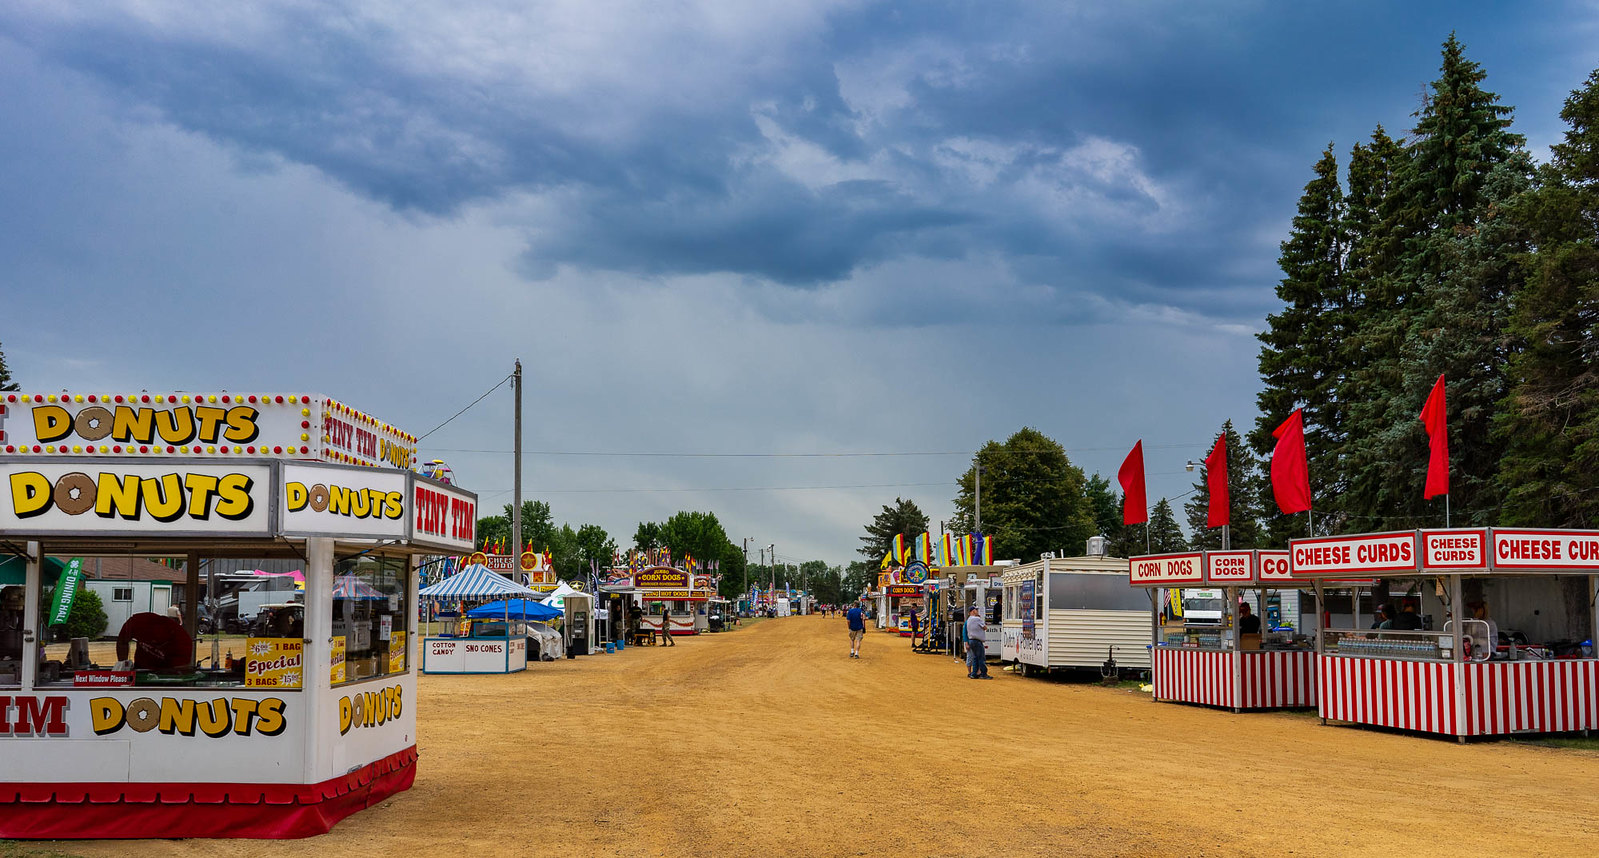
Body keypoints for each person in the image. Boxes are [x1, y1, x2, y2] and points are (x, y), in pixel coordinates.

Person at [116, 608, 195, 672]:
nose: (154, 643)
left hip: (166, 676)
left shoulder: (183, 642)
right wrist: (123, 664)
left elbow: (179, 670)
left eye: (159, 644)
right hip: (140, 670)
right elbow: (122, 641)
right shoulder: (140, 621)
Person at [965, 607, 990, 679]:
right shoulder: (977, 619)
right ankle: (983, 673)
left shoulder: (969, 620)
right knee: (981, 657)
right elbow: (985, 627)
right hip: (977, 641)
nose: (977, 611)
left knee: (975, 657)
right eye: (976, 610)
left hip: (971, 640)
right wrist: (980, 619)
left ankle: (974, 674)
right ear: (973, 611)